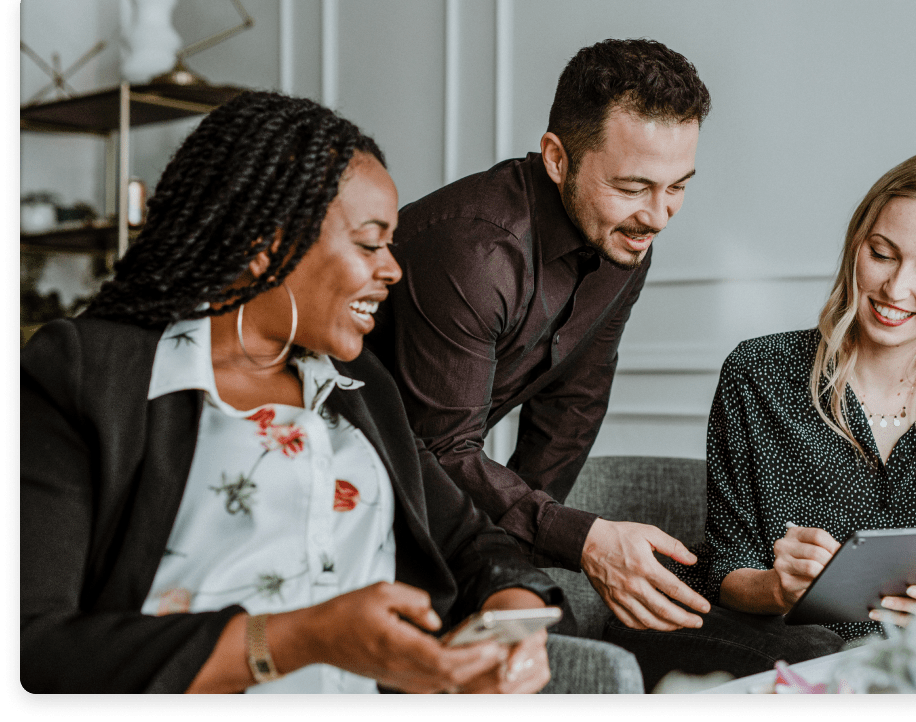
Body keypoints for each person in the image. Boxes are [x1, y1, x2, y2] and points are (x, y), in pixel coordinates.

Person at [19, 91, 561, 694]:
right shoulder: (87, 372)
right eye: (369, 242)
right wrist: (304, 637)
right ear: (265, 245)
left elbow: (470, 541)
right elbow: (33, 649)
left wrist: (513, 624)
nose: (393, 270)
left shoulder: (360, 390)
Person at [603, 152, 916, 690]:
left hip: (899, 658)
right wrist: (780, 589)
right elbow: (727, 567)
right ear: (857, 247)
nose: (896, 290)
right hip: (756, 636)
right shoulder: (759, 373)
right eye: (882, 254)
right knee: (825, 652)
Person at [366, 38, 713, 634]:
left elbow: (572, 408)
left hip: (449, 505)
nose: (657, 216)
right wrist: (580, 541)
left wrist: (515, 567)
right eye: (633, 187)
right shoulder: (475, 251)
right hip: (351, 493)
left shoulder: (624, 240)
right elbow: (442, 447)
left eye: (677, 186)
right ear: (557, 158)